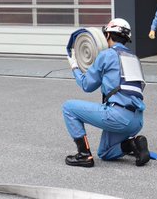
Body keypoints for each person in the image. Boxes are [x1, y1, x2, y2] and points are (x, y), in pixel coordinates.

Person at [63, 18, 150, 167]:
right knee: (105, 153)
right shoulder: (134, 58)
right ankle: (133, 145)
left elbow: (87, 85)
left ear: (108, 35)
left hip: (118, 116)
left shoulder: (107, 55)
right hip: (137, 120)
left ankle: (84, 155)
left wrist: (75, 67)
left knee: (68, 107)